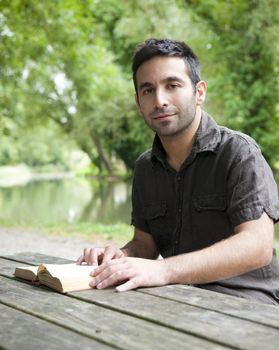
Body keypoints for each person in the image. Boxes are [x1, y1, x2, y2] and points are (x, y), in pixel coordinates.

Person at [77, 38, 279, 305]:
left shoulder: (239, 153)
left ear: (200, 92)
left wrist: (164, 269)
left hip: (247, 303)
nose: (159, 100)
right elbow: (145, 246)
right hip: (178, 298)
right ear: (138, 102)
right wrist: (121, 256)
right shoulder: (145, 168)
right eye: (148, 90)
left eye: (172, 86)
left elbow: (258, 247)